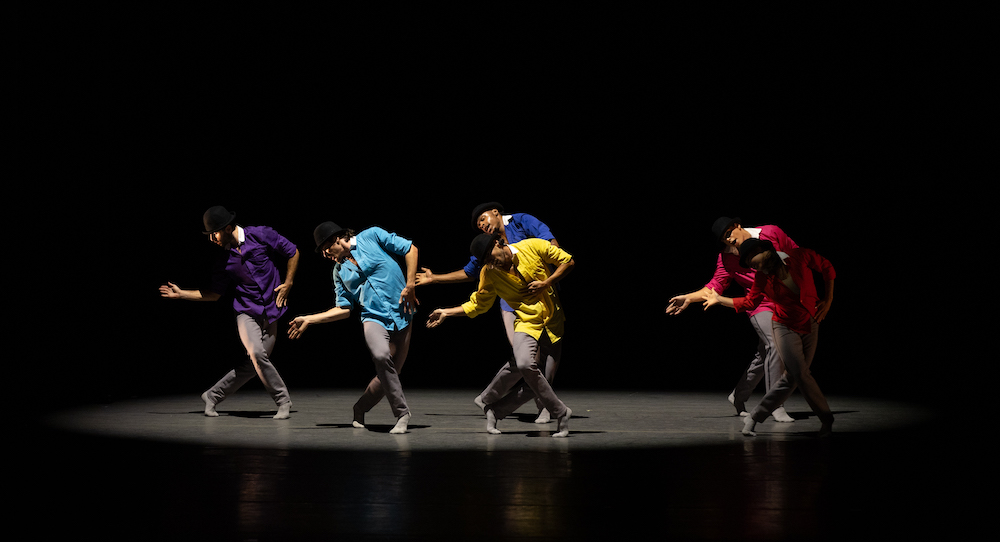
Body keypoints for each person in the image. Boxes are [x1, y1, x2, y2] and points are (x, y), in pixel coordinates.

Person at [416, 202, 562, 423]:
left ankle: (540, 405)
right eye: (478, 225)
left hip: (541, 295)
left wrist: (548, 279)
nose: (482, 225)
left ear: (496, 212)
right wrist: (435, 278)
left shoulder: (522, 221)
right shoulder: (485, 249)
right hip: (511, 303)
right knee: (526, 357)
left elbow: (552, 245)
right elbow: (470, 273)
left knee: (542, 357)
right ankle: (533, 403)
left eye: (483, 219)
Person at [159, 205, 298, 419]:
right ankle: (283, 401)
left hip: (272, 311)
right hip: (246, 312)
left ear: (228, 228)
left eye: (214, 233)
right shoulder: (223, 260)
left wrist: (288, 283)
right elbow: (214, 294)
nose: (212, 238)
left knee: (255, 365)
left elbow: (293, 251)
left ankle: (213, 395)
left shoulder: (260, 235)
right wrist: (181, 294)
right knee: (257, 354)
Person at [287, 221, 419, 435]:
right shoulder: (339, 271)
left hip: (403, 313)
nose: (325, 254)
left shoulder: (372, 236)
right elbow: (344, 309)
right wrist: (310, 319)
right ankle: (402, 414)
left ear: (337, 239)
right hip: (373, 317)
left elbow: (410, 249)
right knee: (381, 355)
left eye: (326, 248)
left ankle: (360, 408)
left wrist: (410, 284)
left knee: (393, 371)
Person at [665, 217, 799, 422]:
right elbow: (714, 287)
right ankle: (775, 404)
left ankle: (738, 395)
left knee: (765, 354)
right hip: (758, 305)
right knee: (775, 344)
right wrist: (689, 298)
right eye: (724, 240)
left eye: (729, 234)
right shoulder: (727, 258)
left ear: (737, 226)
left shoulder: (771, 233)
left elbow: (798, 255)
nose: (729, 241)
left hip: (785, 302)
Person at [703, 238, 836, 437]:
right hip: (783, 326)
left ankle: (754, 417)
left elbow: (827, 267)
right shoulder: (762, 278)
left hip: (810, 323)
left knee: (793, 377)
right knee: (801, 374)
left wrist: (828, 298)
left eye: (751, 259)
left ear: (765, 251)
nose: (751, 265)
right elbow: (749, 302)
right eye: (749, 263)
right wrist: (719, 299)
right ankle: (827, 419)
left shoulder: (799, 256)